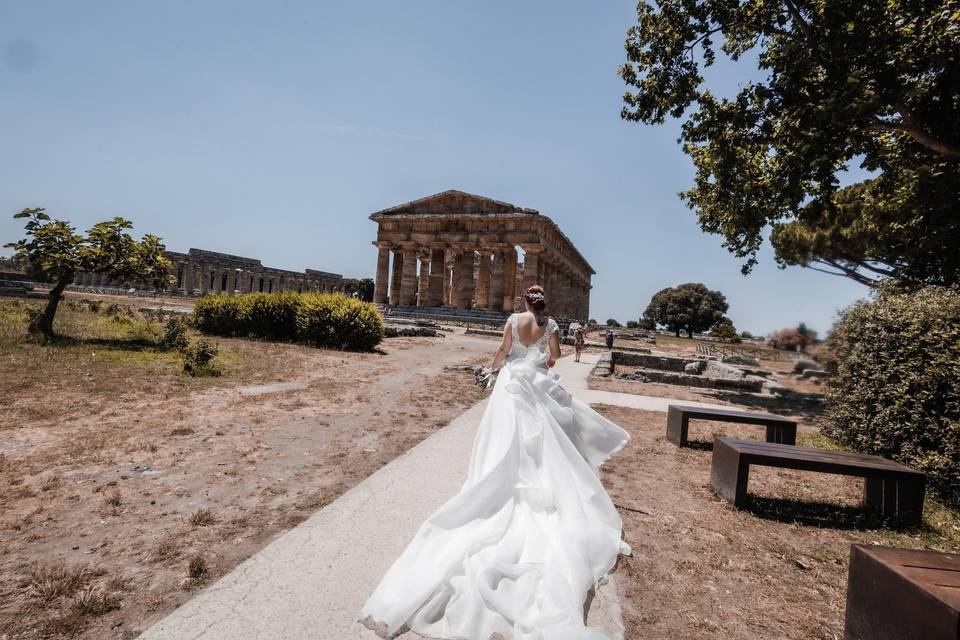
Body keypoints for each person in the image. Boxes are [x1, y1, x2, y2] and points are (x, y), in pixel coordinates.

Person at [359, 284, 631, 640]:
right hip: (534, 382)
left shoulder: (514, 320)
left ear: (523, 301)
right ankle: (537, 484)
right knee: (542, 443)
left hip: (513, 384)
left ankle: (493, 484)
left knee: (504, 438)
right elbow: (554, 357)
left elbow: (503, 350)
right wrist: (538, 362)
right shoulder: (550, 326)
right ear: (543, 303)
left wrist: (492, 372)